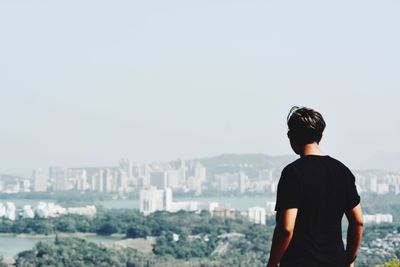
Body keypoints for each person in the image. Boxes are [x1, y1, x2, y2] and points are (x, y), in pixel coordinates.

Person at [267, 106, 364, 267]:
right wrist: (350, 259)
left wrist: (271, 264)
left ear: (291, 137)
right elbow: (358, 221)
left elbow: (286, 228)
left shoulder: (293, 173)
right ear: (321, 135)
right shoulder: (342, 171)